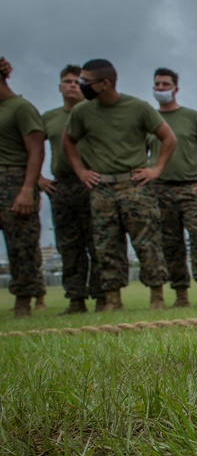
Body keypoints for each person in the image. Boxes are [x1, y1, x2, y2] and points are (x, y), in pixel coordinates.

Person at [62, 59, 175, 311]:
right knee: (106, 245)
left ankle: (157, 298)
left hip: (135, 185)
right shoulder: (82, 112)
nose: (82, 85)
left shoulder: (138, 108)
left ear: (105, 83)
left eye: (86, 81)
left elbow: (168, 137)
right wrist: (80, 171)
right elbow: (68, 141)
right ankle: (113, 300)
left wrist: (156, 169)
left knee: (147, 242)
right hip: (101, 188)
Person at [149, 67, 197, 307]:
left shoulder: (193, 117)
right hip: (159, 190)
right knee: (170, 245)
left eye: (165, 84)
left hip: (191, 189)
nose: (160, 89)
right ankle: (180, 294)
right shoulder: (149, 119)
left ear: (176, 88)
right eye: (157, 85)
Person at [39, 64, 103, 314]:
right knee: (68, 245)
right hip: (62, 186)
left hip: (94, 183)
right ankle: (75, 299)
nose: (73, 85)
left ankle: (102, 297)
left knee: (98, 243)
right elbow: (31, 147)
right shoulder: (50, 118)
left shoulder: (95, 113)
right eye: (67, 81)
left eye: (78, 81)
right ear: (59, 87)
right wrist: (39, 180)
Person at [0, 57, 46, 318]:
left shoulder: (21, 108)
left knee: (22, 245)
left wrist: (28, 189)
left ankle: (24, 302)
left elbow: (36, 150)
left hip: (14, 180)